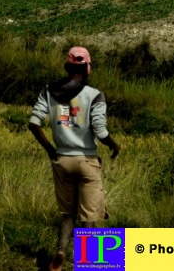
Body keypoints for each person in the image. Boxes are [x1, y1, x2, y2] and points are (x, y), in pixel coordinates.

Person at [28, 46, 120, 271]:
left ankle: (60, 251)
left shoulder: (49, 91)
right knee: (89, 215)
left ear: (68, 67)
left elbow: (33, 123)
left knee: (68, 213)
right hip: (87, 160)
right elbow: (100, 130)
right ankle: (89, 262)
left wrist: (50, 149)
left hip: (62, 160)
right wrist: (114, 145)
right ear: (87, 68)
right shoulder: (94, 95)